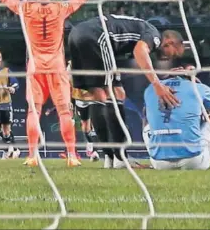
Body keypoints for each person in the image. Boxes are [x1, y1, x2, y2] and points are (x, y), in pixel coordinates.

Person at [0, 0, 100, 167]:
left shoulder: (27, 8)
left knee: (33, 112)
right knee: (64, 112)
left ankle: (32, 156)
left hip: (35, 67)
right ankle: (72, 155)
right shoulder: (60, 8)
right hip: (56, 67)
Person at [68, 14, 184, 168]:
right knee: (116, 94)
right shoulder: (154, 34)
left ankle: (109, 158)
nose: (170, 58)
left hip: (76, 35)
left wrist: (163, 77)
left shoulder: (136, 31)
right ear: (170, 42)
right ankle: (121, 158)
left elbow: (134, 67)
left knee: (98, 96)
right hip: (98, 36)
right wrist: (157, 85)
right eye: (174, 54)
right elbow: (140, 51)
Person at [142, 73, 210, 170]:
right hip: (193, 160)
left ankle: (157, 152)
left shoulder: (150, 89)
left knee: (149, 122)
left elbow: (146, 116)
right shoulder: (198, 87)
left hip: (159, 163)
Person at [67, 60, 99, 161]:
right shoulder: (72, 64)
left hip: (95, 96)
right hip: (80, 98)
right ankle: (91, 145)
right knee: (85, 127)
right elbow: (68, 83)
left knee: (97, 123)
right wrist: (70, 100)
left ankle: (96, 152)